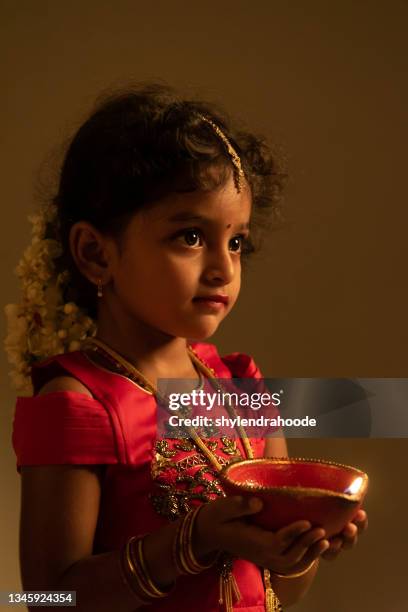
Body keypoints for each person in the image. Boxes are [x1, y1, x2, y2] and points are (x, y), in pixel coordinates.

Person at [8, 83, 367, 612]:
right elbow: (45, 596)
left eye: (236, 241)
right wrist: (192, 541)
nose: (223, 268)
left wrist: (298, 552)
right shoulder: (78, 405)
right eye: (190, 237)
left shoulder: (241, 386)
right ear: (95, 254)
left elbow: (274, 592)